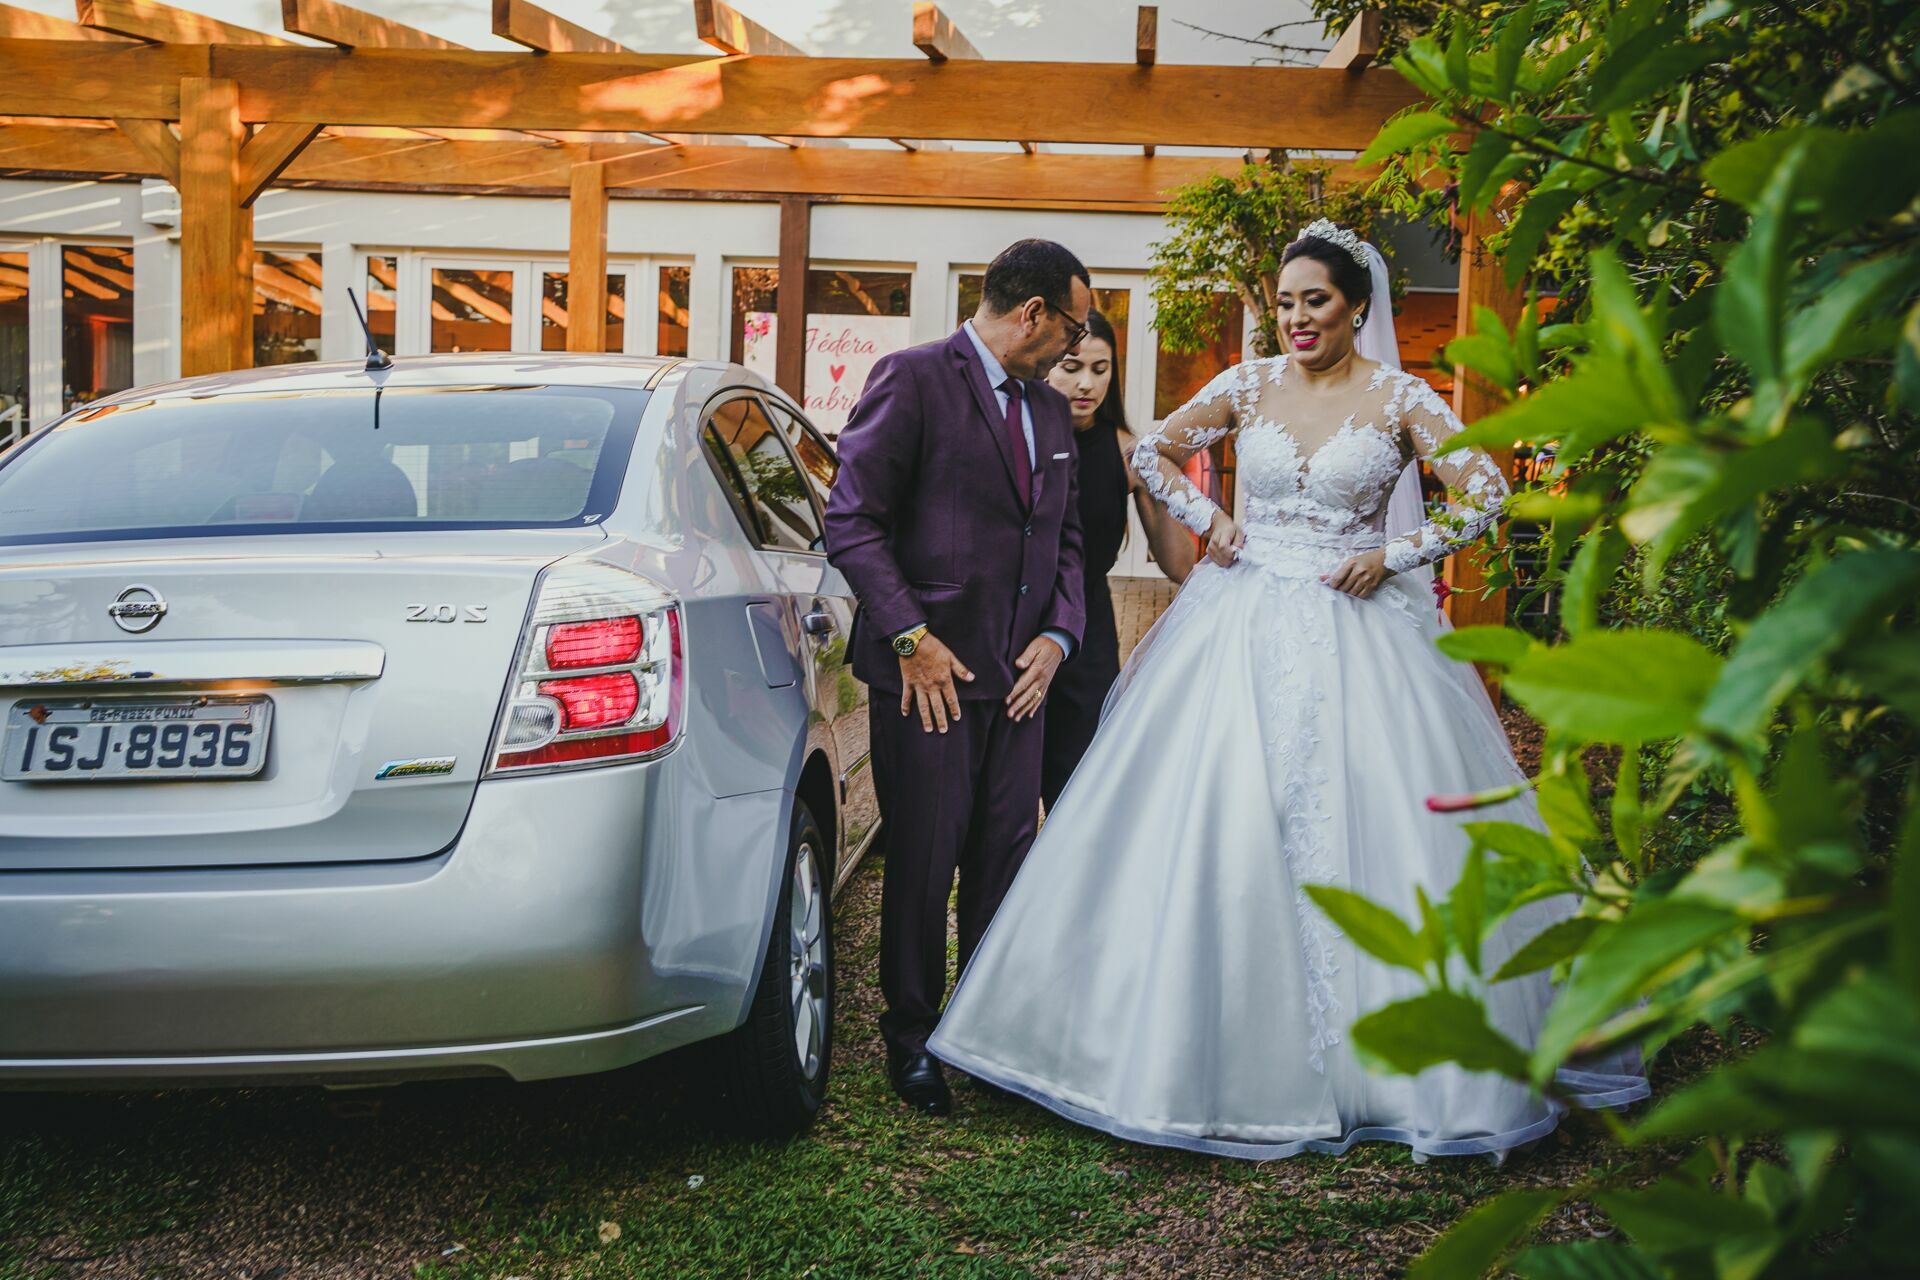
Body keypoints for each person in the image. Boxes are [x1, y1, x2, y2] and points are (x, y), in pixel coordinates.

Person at [929, 222, 1647, 1160]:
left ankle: (1396, 1060)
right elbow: (1150, 457)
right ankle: (1158, 1047)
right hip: (1239, 616)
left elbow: (1485, 494)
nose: (1297, 316)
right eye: (1286, 301)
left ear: (1357, 307)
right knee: (1211, 812)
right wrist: (1207, 515)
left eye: (1316, 300)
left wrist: (1390, 555)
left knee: (1377, 820)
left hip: (1361, 631)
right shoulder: (1246, 382)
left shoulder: (1400, 397)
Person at [823, 239, 1091, 1117]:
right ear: (1034, 314)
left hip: (1021, 685)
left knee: (1003, 863)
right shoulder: (912, 378)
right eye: (1073, 327)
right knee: (924, 863)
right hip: (927, 681)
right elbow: (852, 522)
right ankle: (912, 1043)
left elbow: (1066, 543)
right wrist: (910, 637)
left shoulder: (1053, 418)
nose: (1076, 351)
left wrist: (1057, 635)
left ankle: (984, 1037)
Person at [1039, 308, 1196, 812]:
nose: (1087, 383)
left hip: (1086, 635)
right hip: (1013, 625)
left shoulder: (1130, 453)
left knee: (1076, 787)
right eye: (1071, 366)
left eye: (1101, 370)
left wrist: (1165, 482)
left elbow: (1179, 564)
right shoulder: (1015, 437)